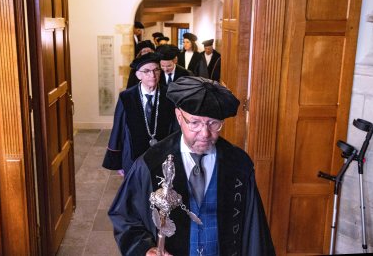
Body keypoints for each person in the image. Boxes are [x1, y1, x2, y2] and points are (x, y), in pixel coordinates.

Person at [108, 76, 275, 256]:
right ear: (179, 116)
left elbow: (254, 231)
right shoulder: (151, 163)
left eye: (213, 123)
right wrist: (146, 249)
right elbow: (124, 217)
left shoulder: (238, 165)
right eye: (195, 123)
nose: (205, 133)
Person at [102, 52, 179, 176]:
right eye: (146, 71)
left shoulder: (169, 96)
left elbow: (176, 129)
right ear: (138, 75)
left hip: (163, 158)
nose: (152, 75)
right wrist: (118, 161)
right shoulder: (126, 97)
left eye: (156, 70)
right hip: (133, 157)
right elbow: (118, 129)